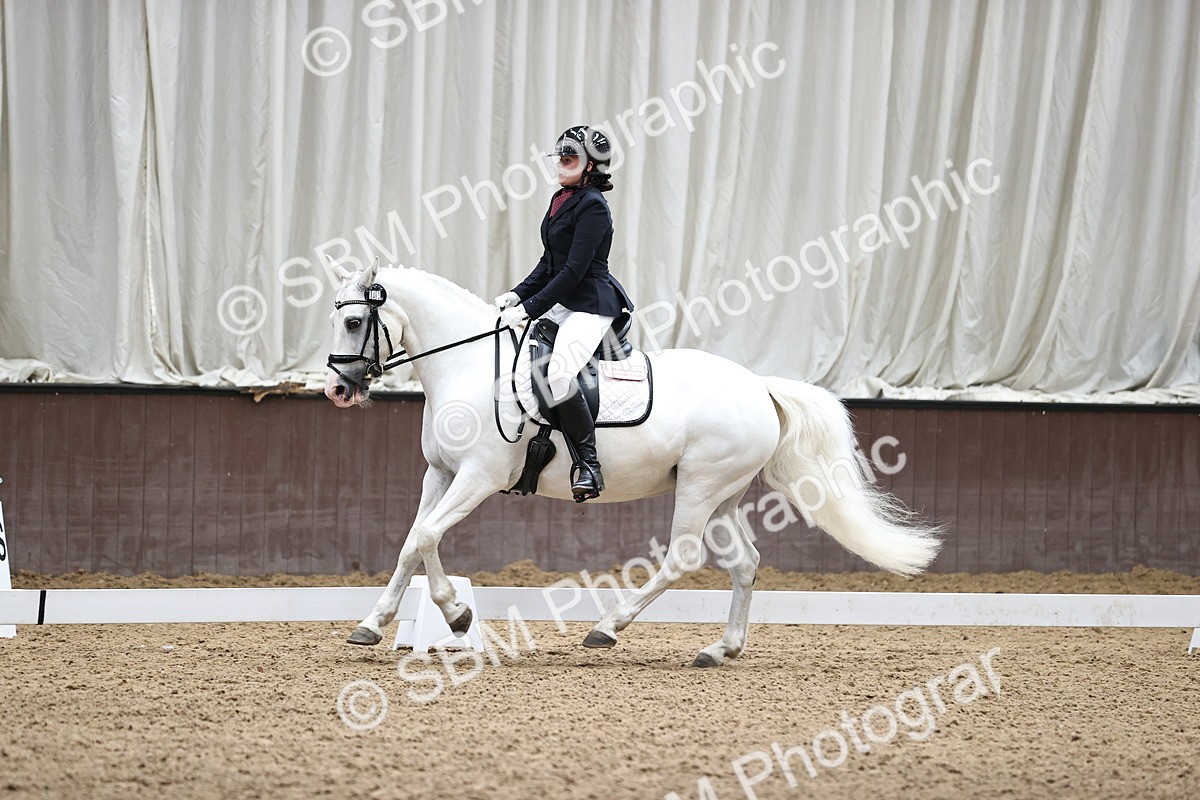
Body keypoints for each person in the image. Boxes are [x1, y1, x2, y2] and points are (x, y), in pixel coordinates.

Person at [495, 125, 634, 502]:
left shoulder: (593, 206)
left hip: (590, 304)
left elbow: (573, 271)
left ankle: (588, 464)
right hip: (566, 302)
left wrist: (531, 308)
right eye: (559, 156)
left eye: (569, 158)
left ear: (591, 167)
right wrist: (517, 294)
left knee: (558, 374)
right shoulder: (561, 198)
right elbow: (548, 262)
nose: (560, 163)